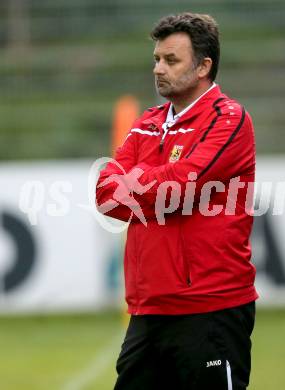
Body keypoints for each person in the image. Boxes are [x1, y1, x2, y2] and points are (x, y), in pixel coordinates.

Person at [96, 12, 258, 390]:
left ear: (204, 66)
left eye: (171, 60)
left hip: (209, 309)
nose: (158, 69)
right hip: (148, 308)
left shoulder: (228, 119)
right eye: (156, 59)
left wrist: (136, 185)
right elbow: (106, 194)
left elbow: (183, 185)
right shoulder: (146, 122)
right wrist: (155, 186)